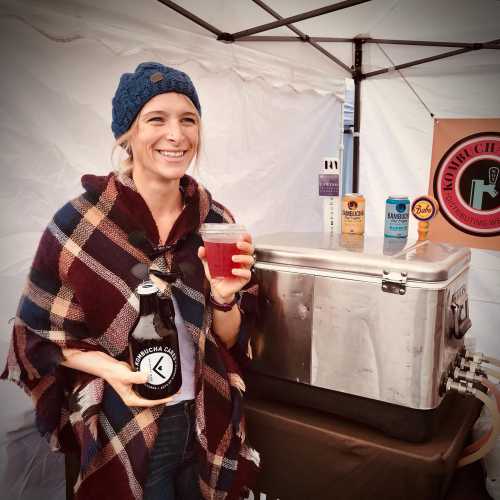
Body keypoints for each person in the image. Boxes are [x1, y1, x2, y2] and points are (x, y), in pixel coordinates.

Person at [1, 62, 260, 500]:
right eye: (156, 119)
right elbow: (35, 334)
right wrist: (114, 372)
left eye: (188, 120)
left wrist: (224, 299)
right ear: (127, 135)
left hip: (205, 417)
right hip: (124, 420)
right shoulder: (82, 223)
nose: (176, 135)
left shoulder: (216, 222)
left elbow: (232, 340)